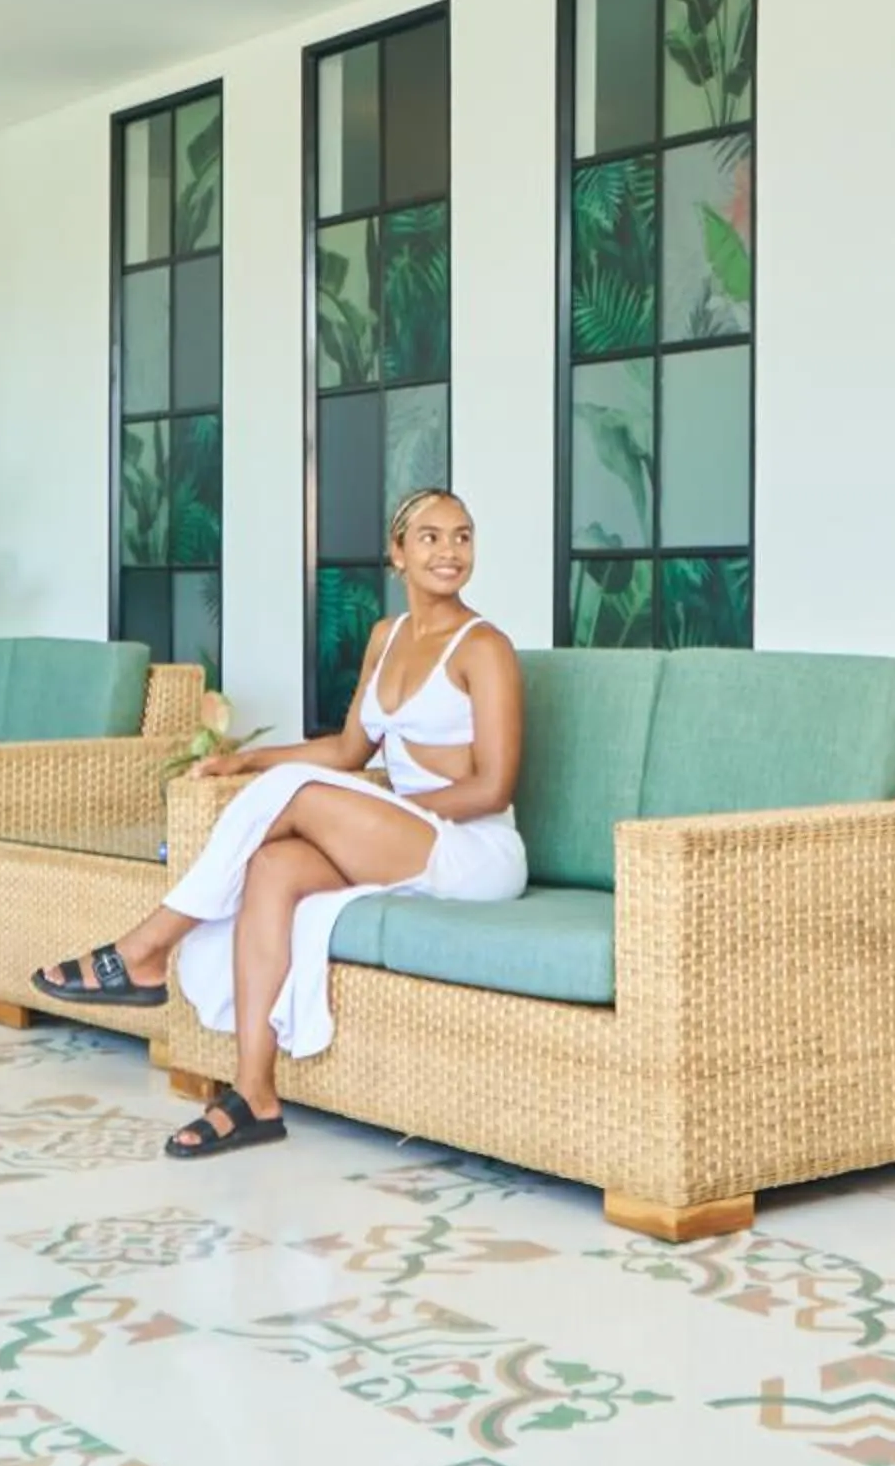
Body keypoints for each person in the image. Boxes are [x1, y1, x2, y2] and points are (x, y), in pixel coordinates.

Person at [31, 487, 526, 1159]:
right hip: (403, 835)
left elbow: (494, 786)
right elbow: (348, 752)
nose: (450, 552)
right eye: (431, 537)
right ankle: (254, 1096)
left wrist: (391, 814)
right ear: (398, 553)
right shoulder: (386, 638)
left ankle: (146, 947)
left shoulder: (484, 646)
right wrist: (246, 760)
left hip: (473, 849)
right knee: (272, 867)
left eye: (462, 536)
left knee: (300, 796)